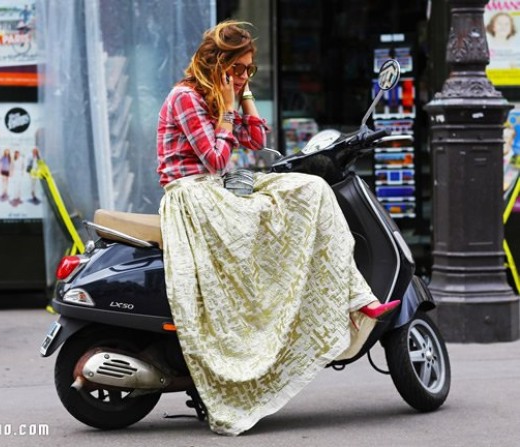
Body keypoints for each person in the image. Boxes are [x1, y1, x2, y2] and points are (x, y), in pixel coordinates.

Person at [156, 21, 400, 435]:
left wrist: (244, 99)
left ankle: (358, 297)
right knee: (274, 223)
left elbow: (253, 142)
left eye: (250, 70)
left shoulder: (220, 93)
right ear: (219, 63)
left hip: (216, 188)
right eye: (240, 68)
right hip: (190, 194)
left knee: (311, 188)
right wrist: (230, 109)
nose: (245, 75)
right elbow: (215, 160)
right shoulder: (185, 98)